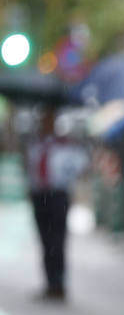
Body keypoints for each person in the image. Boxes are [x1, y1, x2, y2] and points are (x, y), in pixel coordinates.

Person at [25, 107, 88, 302]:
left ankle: (59, 283)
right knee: (44, 240)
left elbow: (82, 165)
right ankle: (49, 282)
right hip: (39, 195)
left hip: (58, 195)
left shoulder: (66, 146)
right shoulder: (35, 145)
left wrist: (68, 180)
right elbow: (31, 168)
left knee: (57, 240)